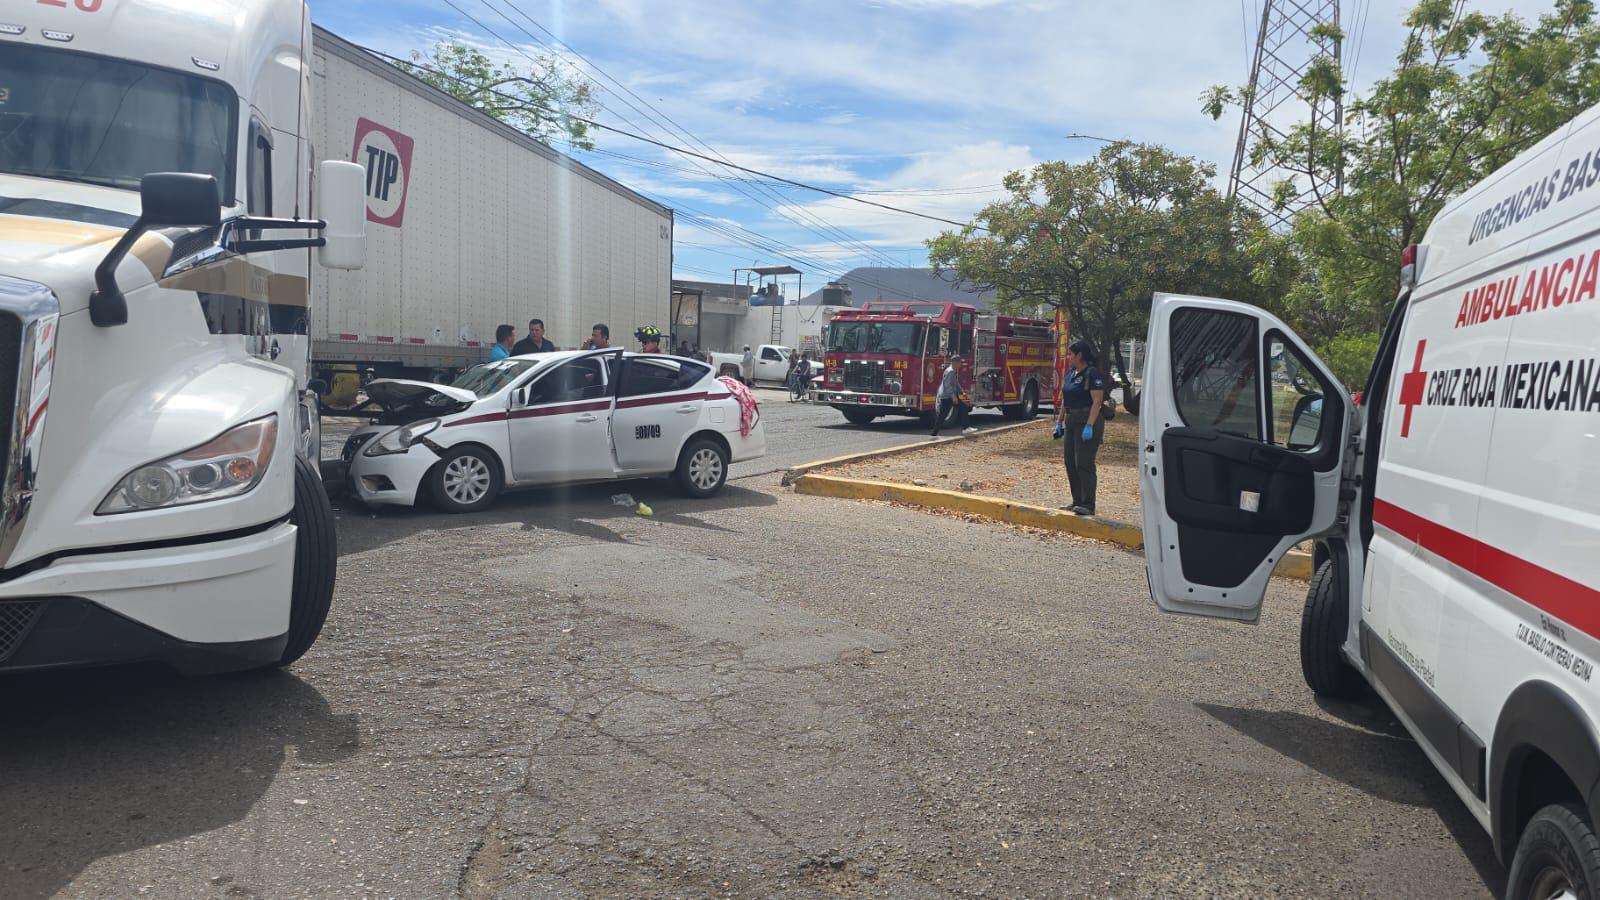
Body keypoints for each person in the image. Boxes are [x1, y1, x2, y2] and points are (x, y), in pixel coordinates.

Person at [1056, 338, 1107, 516]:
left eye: (1071, 354)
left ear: (1080, 356)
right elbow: (1065, 399)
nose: (1069, 357)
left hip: (1086, 419)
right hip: (1071, 419)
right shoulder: (1071, 374)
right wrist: (1059, 422)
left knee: (1083, 463)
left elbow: (1097, 402)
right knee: (1070, 462)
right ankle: (1077, 500)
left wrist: (1090, 426)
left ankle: (1088, 504)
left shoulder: (1092, 374)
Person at [930, 353, 975, 436]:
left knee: (944, 415)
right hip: (948, 397)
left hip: (949, 396)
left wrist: (962, 392)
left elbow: (956, 383)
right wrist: (953, 396)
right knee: (960, 409)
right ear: (955, 363)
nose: (960, 364)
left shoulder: (952, 371)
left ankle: (934, 433)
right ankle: (966, 428)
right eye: (959, 362)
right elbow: (947, 385)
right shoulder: (950, 371)